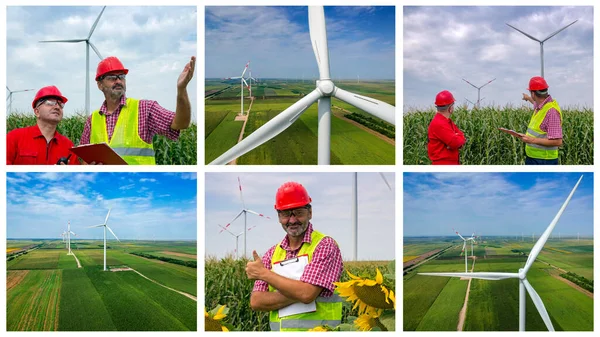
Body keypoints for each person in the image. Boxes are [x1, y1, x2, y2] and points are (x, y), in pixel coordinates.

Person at [245, 182, 344, 331]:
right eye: (285, 214)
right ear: (279, 216)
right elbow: (257, 301)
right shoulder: (271, 253)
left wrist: (264, 274)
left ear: (309, 213)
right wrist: (299, 291)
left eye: (298, 212)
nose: (292, 220)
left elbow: (306, 294)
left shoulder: (324, 246)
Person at [79, 55, 196, 164]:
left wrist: (182, 89)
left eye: (121, 77)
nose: (118, 81)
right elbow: (85, 161)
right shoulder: (92, 120)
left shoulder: (145, 109)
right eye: (112, 78)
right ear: (100, 85)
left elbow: (181, 123)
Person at [7, 86, 79, 165]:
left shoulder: (68, 146)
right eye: (50, 102)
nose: (57, 107)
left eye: (60, 104)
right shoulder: (14, 138)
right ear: (37, 112)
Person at [520, 76, 562, 165]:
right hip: (533, 157)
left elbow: (557, 141)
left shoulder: (551, 112)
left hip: (544, 160)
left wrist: (531, 140)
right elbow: (534, 102)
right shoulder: (541, 106)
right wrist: (527, 98)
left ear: (533, 93)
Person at [427, 90, 466, 165]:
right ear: (450, 107)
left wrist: (459, 137)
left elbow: (460, 136)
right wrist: (458, 138)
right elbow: (455, 143)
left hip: (451, 162)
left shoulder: (447, 121)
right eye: (453, 105)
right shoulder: (439, 123)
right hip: (444, 163)